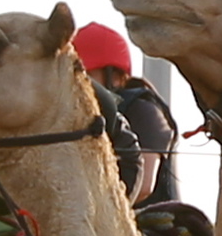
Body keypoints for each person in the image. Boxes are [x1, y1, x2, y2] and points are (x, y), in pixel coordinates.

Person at [73, 22, 182, 206]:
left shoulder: (143, 110)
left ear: (114, 75)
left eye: (87, 76)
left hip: (144, 220)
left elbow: (143, 187)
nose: (78, 85)